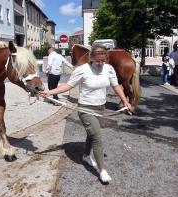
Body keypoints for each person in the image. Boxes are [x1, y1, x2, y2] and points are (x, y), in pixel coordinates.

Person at [39, 44, 132, 182]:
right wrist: (50, 92)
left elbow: (115, 85)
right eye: (97, 60)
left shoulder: (109, 69)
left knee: (91, 134)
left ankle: (86, 155)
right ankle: (102, 170)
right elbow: (68, 85)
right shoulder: (83, 70)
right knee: (97, 137)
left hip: (100, 108)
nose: (100, 63)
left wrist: (125, 101)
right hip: (85, 109)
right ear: (91, 58)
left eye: (103, 60)